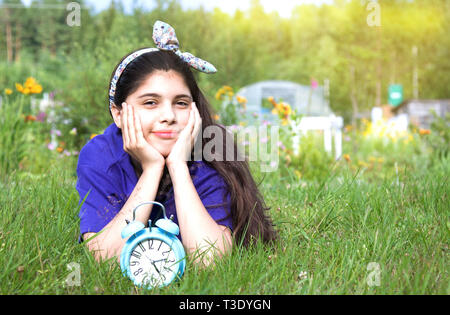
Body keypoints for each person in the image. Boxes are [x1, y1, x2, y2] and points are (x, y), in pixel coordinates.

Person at [76, 21, 276, 265]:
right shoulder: (101, 154)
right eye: (150, 102)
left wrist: (178, 165)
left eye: (180, 103)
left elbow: (210, 261)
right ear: (118, 113)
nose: (169, 116)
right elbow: (104, 258)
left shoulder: (209, 153)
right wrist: (152, 170)